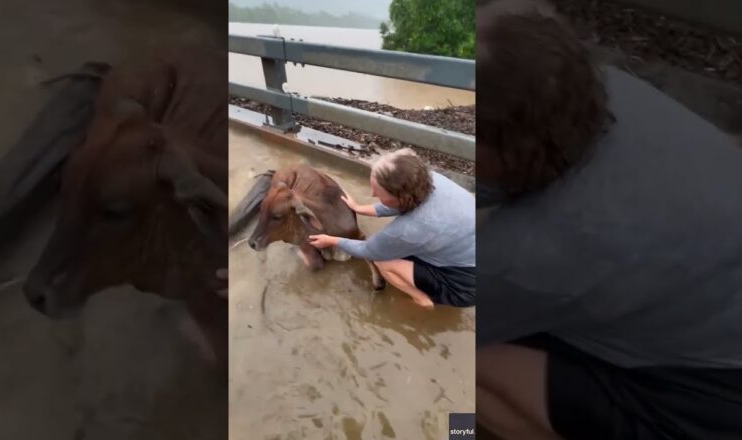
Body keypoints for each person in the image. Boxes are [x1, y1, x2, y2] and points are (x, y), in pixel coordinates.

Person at [476, 0, 742, 439]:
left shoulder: (527, 254)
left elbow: (442, 299)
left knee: (469, 357)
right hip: (705, 284)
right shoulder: (607, 90)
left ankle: (460, 431)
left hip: (712, 392)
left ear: (501, 151)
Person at [308, 148, 475, 309]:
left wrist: (331, 240)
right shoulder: (429, 179)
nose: (372, 193)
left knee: (383, 260)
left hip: (464, 286)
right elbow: (401, 204)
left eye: (378, 191)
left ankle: (421, 300)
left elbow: (368, 250)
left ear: (400, 197)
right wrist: (359, 208)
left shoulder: (409, 230)